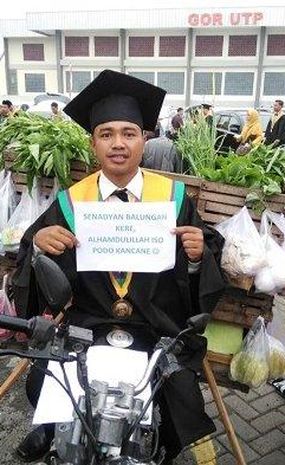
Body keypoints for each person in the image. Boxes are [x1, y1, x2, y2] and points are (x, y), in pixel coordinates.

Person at [11, 70, 227, 464]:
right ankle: (48, 430)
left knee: (179, 395)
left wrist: (198, 258)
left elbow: (204, 268)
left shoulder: (173, 199)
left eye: (129, 133)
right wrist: (40, 246)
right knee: (43, 379)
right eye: (106, 133)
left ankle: (158, 448)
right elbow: (28, 261)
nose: (118, 144)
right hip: (86, 325)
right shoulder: (73, 202)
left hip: (155, 327)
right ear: (93, 142)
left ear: (145, 139)